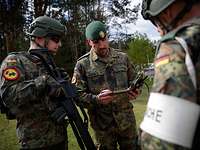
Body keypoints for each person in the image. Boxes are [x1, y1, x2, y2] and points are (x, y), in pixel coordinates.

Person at [0, 16, 68, 150]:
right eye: (55, 39)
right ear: (39, 37)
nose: (59, 44)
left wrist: (63, 86)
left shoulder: (49, 65)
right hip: (34, 143)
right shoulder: (14, 61)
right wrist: (43, 81)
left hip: (59, 139)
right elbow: (8, 95)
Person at [140, 0, 200, 150]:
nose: (159, 31)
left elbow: (158, 144)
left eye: (156, 23)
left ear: (167, 13)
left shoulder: (179, 46)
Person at [72, 20, 141, 150]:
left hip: (127, 123)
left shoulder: (123, 58)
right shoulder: (82, 64)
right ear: (89, 42)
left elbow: (134, 80)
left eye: (104, 40)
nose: (102, 45)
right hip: (102, 127)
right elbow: (77, 95)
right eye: (97, 42)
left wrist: (136, 90)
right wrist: (96, 100)